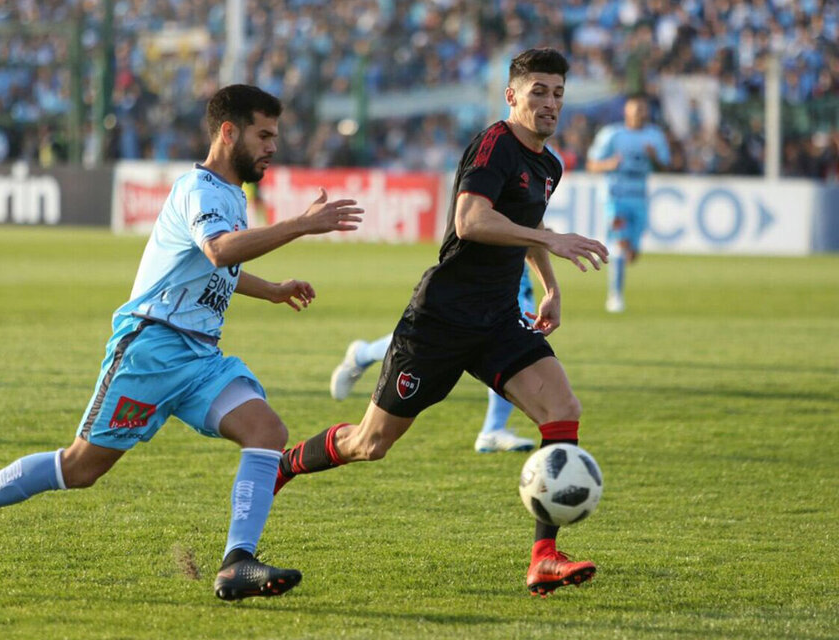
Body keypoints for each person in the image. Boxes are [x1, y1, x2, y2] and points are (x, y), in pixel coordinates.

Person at [0, 85, 364, 601]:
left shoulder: (232, 196)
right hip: (151, 348)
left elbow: (214, 268)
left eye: (274, 137)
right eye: (264, 135)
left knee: (266, 430)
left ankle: (236, 561)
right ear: (228, 132)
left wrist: (272, 289)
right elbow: (218, 251)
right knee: (79, 468)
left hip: (199, 358)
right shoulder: (198, 188)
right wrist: (301, 226)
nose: (272, 146)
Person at [274, 49, 608, 597]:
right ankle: (285, 465)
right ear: (512, 96)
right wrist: (550, 241)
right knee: (370, 443)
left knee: (562, 409)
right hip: (442, 319)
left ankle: (544, 557)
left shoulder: (549, 163)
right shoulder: (495, 143)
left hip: (498, 318)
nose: (550, 103)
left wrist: (549, 284)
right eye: (539, 91)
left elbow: (528, 221)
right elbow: (470, 221)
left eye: (558, 94)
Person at [329, 268, 539, 453]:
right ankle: (362, 354)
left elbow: (528, 231)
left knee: (506, 342)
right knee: (432, 342)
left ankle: (493, 429)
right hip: (481, 279)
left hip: (511, 279)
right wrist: (544, 238)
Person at [586, 94, 670, 313]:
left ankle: (620, 266)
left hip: (639, 197)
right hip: (616, 196)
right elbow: (592, 165)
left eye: (643, 109)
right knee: (620, 246)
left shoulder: (655, 136)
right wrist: (610, 164)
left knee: (631, 253)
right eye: (635, 109)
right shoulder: (613, 134)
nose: (639, 113)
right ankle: (615, 296)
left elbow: (666, 167)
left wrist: (654, 158)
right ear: (626, 111)